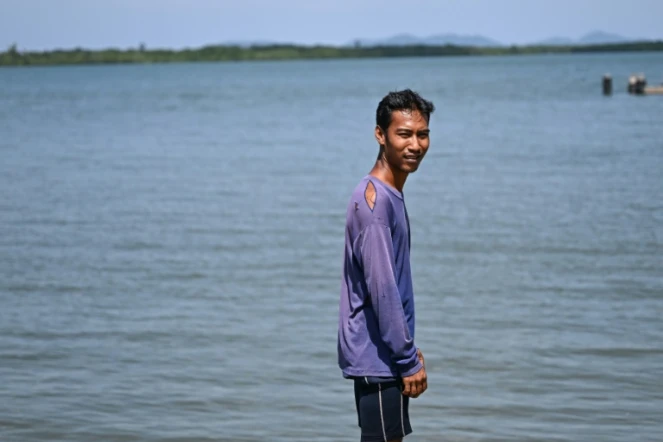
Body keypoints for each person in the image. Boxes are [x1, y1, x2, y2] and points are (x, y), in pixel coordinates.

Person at [337, 89, 435, 442]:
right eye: (403, 134)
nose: (415, 144)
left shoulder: (390, 193)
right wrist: (407, 359)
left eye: (422, 134)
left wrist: (405, 347)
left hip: (387, 353)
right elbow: (382, 291)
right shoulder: (375, 205)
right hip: (377, 358)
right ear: (381, 135)